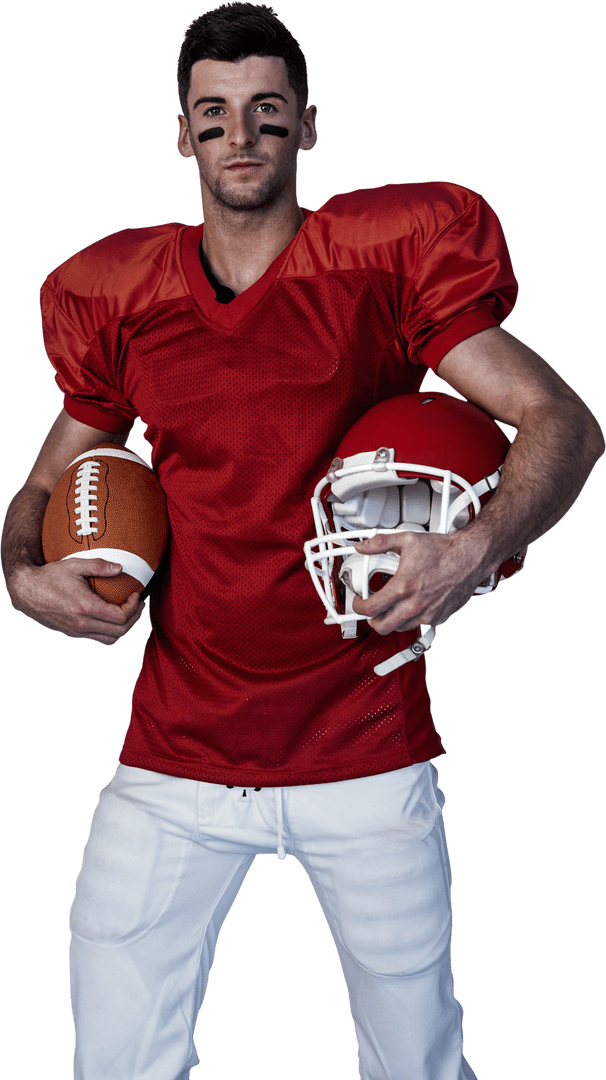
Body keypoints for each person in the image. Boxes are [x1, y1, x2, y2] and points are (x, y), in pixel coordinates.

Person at [1, 3, 603, 1079]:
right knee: (109, 1063)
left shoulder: (380, 265)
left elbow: (563, 421)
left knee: (416, 1063)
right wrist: (20, 576)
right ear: (183, 135)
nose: (242, 136)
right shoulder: (127, 297)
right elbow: (48, 480)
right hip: (176, 753)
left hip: (364, 739)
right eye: (216, 115)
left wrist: (473, 550)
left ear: (307, 128)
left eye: (267, 113)